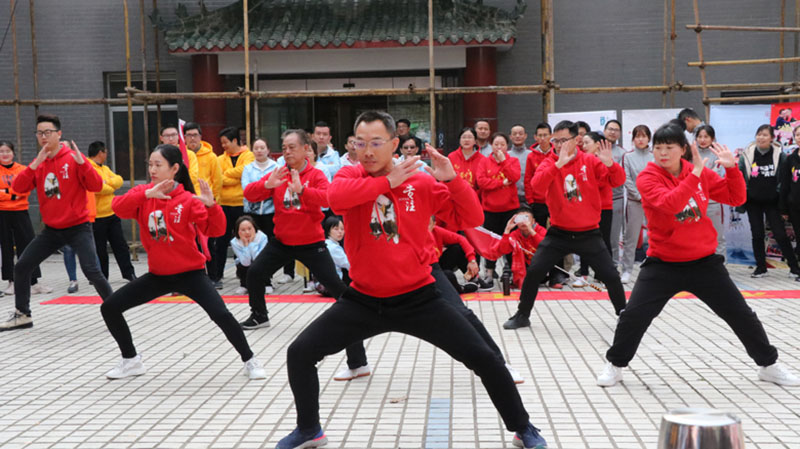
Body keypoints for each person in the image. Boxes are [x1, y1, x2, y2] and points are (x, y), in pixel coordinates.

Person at [275, 111, 546, 449]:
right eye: (361, 143)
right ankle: (309, 429)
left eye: (376, 143)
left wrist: (452, 181)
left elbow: (473, 218)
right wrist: (386, 183)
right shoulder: (349, 174)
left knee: (486, 359)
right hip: (364, 300)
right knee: (300, 353)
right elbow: (337, 199)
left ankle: (523, 427)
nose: (368, 151)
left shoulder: (420, 182)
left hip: (420, 298)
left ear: (394, 144)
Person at [596, 124, 800, 388]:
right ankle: (615, 365)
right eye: (658, 148)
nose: (662, 153)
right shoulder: (649, 177)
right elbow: (671, 204)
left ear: (683, 149)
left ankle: (769, 365)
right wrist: (694, 175)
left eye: (669, 147)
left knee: (741, 314)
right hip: (663, 264)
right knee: (634, 316)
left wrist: (730, 169)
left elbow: (735, 197)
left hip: (704, 263)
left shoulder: (698, 173)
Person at [100, 144, 265, 380]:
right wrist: (146, 193)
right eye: (150, 165)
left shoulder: (187, 199)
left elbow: (215, 229)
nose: (152, 170)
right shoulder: (145, 195)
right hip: (158, 275)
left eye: (158, 165)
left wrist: (211, 205)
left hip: (191, 274)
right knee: (110, 307)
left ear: (175, 168)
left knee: (221, 314)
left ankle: (250, 359)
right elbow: (118, 207)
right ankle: (131, 360)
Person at [504, 121, 626, 330]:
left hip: (589, 232)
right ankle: (523, 314)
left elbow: (618, 181)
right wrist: (558, 164)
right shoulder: (548, 162)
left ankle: (624, 314)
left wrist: (610, 164)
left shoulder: (590, 160)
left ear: (576, 140)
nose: (559, 145)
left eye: (563, 140)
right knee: (535, 270)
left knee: (611, 275)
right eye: (555, 141)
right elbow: (537, 186)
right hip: (559, 233)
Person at [1, 114, 113, 331]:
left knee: (92, 271)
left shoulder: (73, 158)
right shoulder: (39, 163)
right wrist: (35, 163)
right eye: (39, 133)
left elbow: (96, 185)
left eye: (48, 132)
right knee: (22, 267)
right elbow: (19, 187)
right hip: (51, 230)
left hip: (78, 227)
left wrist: (84, 164)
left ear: (59, 134)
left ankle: (115, 308)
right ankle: (22, 314)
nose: (43, 137)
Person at [240, 129, 347, 329]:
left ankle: (353, 313)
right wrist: (267, 185)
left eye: (292, 147)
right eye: (284, 148)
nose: (287, 152)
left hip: (311, 243)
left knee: (333, 283)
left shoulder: (316, 174)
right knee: (254, 273)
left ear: (306, 149)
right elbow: (249, 194)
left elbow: (327, 198)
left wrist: (302, 190)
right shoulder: (279, 173)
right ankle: (259, 316)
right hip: (282, 242)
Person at [738, 124, 800, 278]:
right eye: (759, 134)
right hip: (753, 202)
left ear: (772, 138)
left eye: (765, 135)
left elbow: (784, 180)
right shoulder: (747, 154)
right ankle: (760, 268)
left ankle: (793, 267)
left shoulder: (780, 155)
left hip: (773, 202)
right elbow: (740, 178)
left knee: (780, 234)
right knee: (757, 234)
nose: (761, 137)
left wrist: (779, 199)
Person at [573, 132, 623, 288]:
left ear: (597, 144)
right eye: (583, 142)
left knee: (603, 241)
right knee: (583, 241)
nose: (584, 145)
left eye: (587, 142)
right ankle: (583, 274)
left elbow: (605, 182)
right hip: (585, 207)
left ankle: (604, 275)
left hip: (603, 206)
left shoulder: (604, 161)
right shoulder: (579, 161)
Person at [0, 141, 49, 295]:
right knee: (6, 247)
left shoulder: (22, 170)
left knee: (28, 245)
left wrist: (7, 192)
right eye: (1, 151)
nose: (5, 154)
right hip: (2, 213)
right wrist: (13, 193)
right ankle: (12, 282)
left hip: (21, 211)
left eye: (7, 151)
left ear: (13, 153)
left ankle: (33, 282)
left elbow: (25, 189)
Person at [209, 126, 255, 289]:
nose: (223, 146)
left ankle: (247, 272)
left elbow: (245, 172)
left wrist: (227, 175)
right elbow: (219, 179)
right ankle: (217, 274)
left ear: (235, 141)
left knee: (246, 239)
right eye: (221, 143)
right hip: (224, 204)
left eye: (226, 142)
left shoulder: (248, 155)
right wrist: (234, 177)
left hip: (242, 205)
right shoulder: (220, 158)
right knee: (220, 240)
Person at [524, 123, 568, 288]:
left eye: (546, 135)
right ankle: (541, 272)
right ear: (535, 137)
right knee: (540, 240)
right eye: (539, 135)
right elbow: (528, 180)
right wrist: (531, 201)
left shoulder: (559, 153)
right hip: (539, 204)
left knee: (559, 238)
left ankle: (558, 274)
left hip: (557, 203)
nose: (543, 138)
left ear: (551, 137)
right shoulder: (531, 156)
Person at [87, 141, 136, 282]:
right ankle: (102, 277)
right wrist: (110, 186)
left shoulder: (105, 168)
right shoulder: (89, 168)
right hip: (97, 216)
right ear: (100, 153)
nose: (106, 154)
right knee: (100, 250)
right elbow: (97, 188)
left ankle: (128, 273)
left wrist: (107, 183)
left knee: (120, 245)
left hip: (112, 214)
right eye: (105, 152)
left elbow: (119, 180)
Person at [477, 132, 521, 284]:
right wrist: (501, 184)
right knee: (491, 243)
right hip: (490, 209)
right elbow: (482, 182)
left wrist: (504, 162)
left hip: (510, 209)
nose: (499, 147)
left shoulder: (512, 160)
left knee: (510, 240)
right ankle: (489, 272)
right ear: (492, 146)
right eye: (496, 144)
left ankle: (510, 271)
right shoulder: (484, 162)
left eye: (502, 144)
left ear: (507, 146)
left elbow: (514, 177)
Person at [240, 137, 282, 294]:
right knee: (249, 244)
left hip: (270, 213)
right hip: (252, 214)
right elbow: (246, 189)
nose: (259, 150)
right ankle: (246, 281)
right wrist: (264, 189)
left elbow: (277, 189)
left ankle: (267, 281)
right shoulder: (248, 168)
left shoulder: (276, 167)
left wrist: (259, 190)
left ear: (268, 150)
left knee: (267, 248)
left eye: (262, 147)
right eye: (256, 148)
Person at [619, 125, 653, 284]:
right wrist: (639, 196)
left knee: (655, 236)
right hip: (635, 202)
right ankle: (626, 270)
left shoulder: (655, 156)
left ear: (649, 138)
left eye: (644, 136)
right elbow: (626, 179)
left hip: (654, 202)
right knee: (631, 237)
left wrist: (651, 196)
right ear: (633, 139)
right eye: (637, 136)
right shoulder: (628, 156)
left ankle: (656, 269)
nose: (640, 139)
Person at [484, 207, 545, 289]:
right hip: (524, 266)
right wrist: (507, 230)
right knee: (511, 248)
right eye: (520, 219)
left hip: (539, 264)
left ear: (533, 221)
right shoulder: (515, 234)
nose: (523, 222)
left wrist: (531, 230)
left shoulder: (541, 230)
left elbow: (544, 247)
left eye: (526, 219)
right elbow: (504, 250)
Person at [695, 125, 727, 257]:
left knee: (717, 236)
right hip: (693, 203)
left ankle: (721, 267)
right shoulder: (691, 154)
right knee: (694, 236)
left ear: (712, 138)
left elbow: (715, 177)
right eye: (700, 137)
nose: (702, 140)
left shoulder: (717, 155)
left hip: (712, 203)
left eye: (706, 137)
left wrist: (697, 176)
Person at [430, 217, 481, 294]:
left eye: (428, 224)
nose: (424, 227)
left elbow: (461, 239)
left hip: (437, 266)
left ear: (434, 224)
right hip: (424, 272)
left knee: (458, 248)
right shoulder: (414, 236)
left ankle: (473, 277)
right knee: (449, 276)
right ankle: (460, 288)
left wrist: (472, 260)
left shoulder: (437, 231)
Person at [604, 120, 626, 268]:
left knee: (613, 236)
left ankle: (614, 265)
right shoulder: (596, 149)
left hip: (616, 198)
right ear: (604, 130)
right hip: (597, 199)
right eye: (610, 129)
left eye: (616, 130)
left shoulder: (623, 153)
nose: (613, 132)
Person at [184, 122, 222, 200]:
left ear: (200, 137)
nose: (192, 138)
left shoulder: (211, 156)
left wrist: (213, 198)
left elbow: (217, 180)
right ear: (184, 137)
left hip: (204, 198)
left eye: (195, 135)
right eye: (189, 135)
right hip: (186, 197)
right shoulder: (181, 154)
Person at [230, 215, 268, 296]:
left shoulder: (262, 237)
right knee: (241, 264)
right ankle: (244, 285)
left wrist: (252, 243)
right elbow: (245, 262)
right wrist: (246, 245)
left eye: (250, 229)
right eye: (243, 230)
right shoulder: (235, 242)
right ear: (238, 231)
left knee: (263, 264)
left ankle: (267, 283)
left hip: (261, 262)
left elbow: (257, 258)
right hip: (245, 264)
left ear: (254, 228)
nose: (247, 232)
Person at [781, 126, 800, 260]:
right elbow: (785, 184)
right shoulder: (790, 159)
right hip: (796, 206)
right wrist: (784, 208)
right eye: (798, 135)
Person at [448, 127, 486, 191]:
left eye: (470, 137)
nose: (466, 140)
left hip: (474, 197)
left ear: (475, 141)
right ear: (459, 140)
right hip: (455, 195)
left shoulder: (482, 159)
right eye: (464, 137)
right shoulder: (451, 157)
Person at [321, 215, 350, 296]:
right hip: (332, 287)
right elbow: (348, 265)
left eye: (342, 229)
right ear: (328, 230)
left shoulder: (326, 243)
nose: (340, 232)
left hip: (323, 285)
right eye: (336, 229)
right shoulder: (333, 247)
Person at [508, 124, 532, 206]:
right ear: (510, 137)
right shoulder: (506, 156)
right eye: (514, 134)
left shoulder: (531, 155)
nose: (517, 136)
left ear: (525, 136)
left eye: (520, 134)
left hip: (529, 199)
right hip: (510, 200)